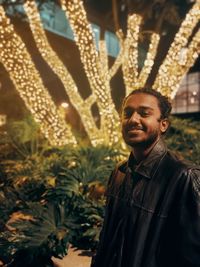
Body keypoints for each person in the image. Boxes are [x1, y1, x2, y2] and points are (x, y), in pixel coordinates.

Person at [91, 87, 200, 267]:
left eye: (144, 113)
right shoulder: (120, 172)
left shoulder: (184, 176)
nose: (133, 119)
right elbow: (108, 240)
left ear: (163, 125)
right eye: (128, 113)